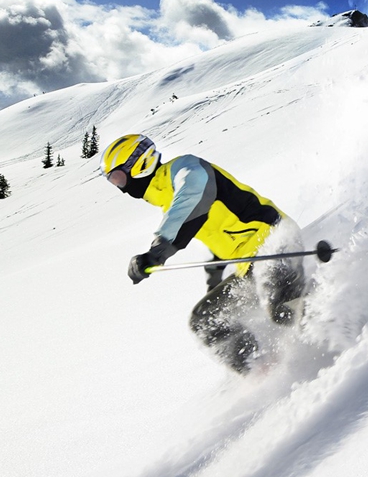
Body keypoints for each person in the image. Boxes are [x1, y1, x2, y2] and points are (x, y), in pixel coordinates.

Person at [100, 134, 306, 374]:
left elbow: (195, 198)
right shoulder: (167, 196)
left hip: (274, 243)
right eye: (113, 181)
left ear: (139, 163)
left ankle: (337, 322)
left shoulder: (185, 168)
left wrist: (157, 251)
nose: (120, 187)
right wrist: (215, 279)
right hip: (249, 266)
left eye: (118, 178)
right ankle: (263, 372)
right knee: (206, 321)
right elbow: (216, 233)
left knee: (280, 304)